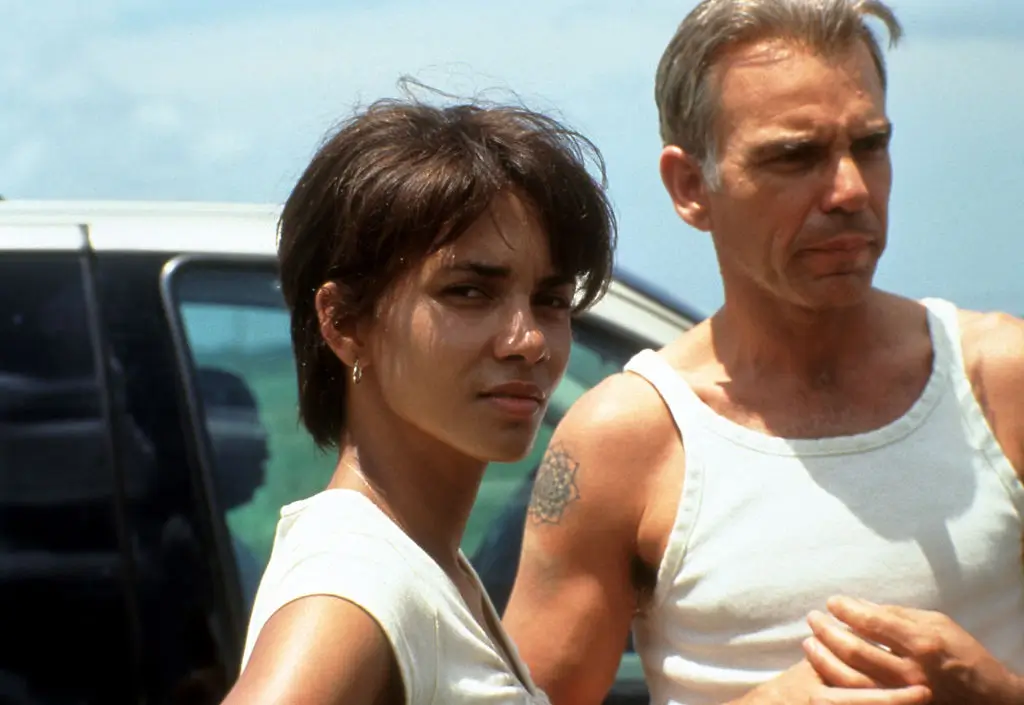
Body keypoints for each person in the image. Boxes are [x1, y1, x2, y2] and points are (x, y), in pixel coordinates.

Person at [501, 1, 1024, 704]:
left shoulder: (1000, 382)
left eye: (869, 145)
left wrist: (991, 690)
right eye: (794, 156)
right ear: (691, 187)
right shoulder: (630, 438)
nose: (849, 190)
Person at [221, 92, 616, 704]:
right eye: (467, 293)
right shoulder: (355, 580)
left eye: (551, 300)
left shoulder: (424, 564)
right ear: (346, 324)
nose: (529, 340)